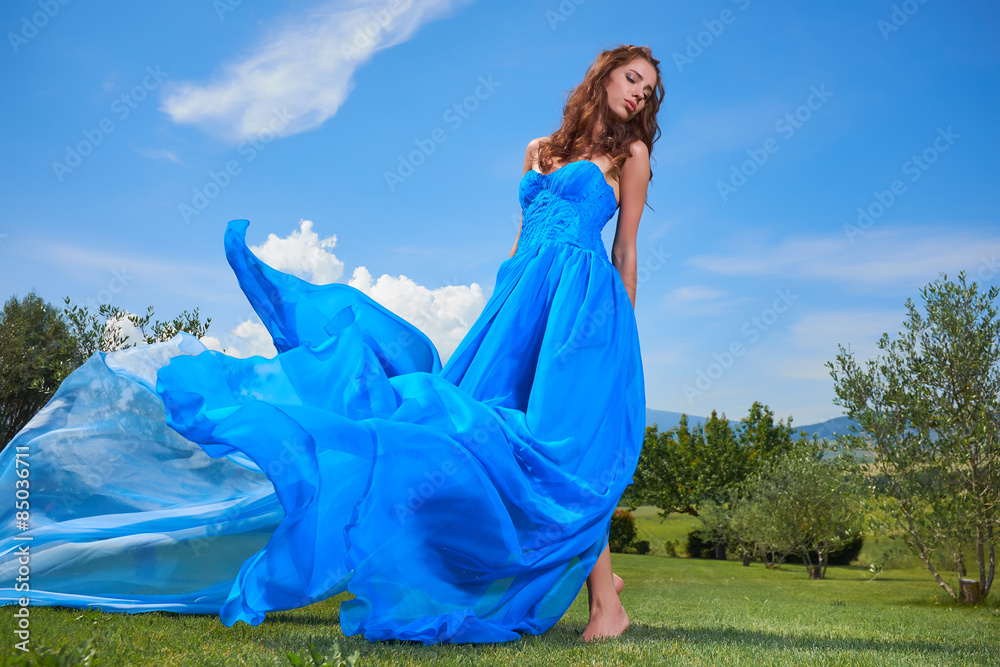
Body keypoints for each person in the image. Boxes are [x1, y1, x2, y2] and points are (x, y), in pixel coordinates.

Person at [0, 44, 662, 645]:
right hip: (514, 308)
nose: (640, 94)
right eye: (633, 79)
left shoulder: (629, 158)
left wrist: (617, 347)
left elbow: (625, 250)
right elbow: (516, 246)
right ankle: (559, 577)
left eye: (650, 91)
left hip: (583, 315)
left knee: (566, 445)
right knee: (476, 434)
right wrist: (496, 312)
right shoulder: (539, 149)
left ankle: (607, 601)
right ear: (603, 75)